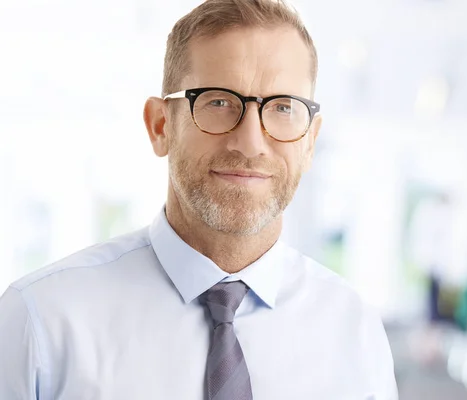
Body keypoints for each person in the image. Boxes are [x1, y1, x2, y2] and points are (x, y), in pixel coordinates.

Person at [0, 1, 398, 399]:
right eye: (219, 102)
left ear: (310, 141)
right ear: (160, 126)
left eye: (282, 108)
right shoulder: (41, 323)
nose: (250, 144)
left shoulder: (354, 332)